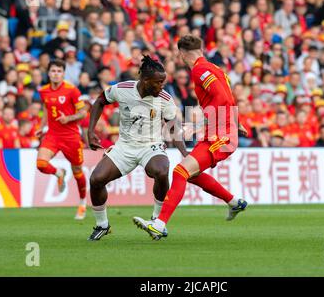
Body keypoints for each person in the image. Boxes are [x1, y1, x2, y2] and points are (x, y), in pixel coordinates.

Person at [133, 35, 248, 240]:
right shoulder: (215, 68)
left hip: (220, 134)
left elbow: (221, 98)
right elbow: (228, 98)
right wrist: (237, 123)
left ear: (182, 54)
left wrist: (196, 125)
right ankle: (234, 202)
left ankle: (159, 224)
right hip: (219, 130)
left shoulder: (199, 70)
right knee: (191, 173)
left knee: (180, 171)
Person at [86, 55, 186, 241]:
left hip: (151, 145)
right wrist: (91, 131)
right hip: (124, 146)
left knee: (162, 171)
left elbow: (172, 125)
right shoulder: (122, 89)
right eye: (159, 82)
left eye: (163, 82)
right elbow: (100, 101)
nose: (162, 86)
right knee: (96, 179)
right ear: (146, 81)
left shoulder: (164, 98)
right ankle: (102, 225)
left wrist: (184, 152)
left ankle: (157, 220)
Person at [36, 60, 88, 220]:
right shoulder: (43, 91)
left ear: (63, 73)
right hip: (52, 135)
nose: (56, 73)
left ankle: (82, 204)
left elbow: (83, 113)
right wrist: (41, 126)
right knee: (41, 164)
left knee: (78, 171)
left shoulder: (72, 90)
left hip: (71, 137)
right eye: (53, 71)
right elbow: (46, 109)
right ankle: (59, 173)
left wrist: (69, 118)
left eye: (59, 71)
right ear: (48, 73)